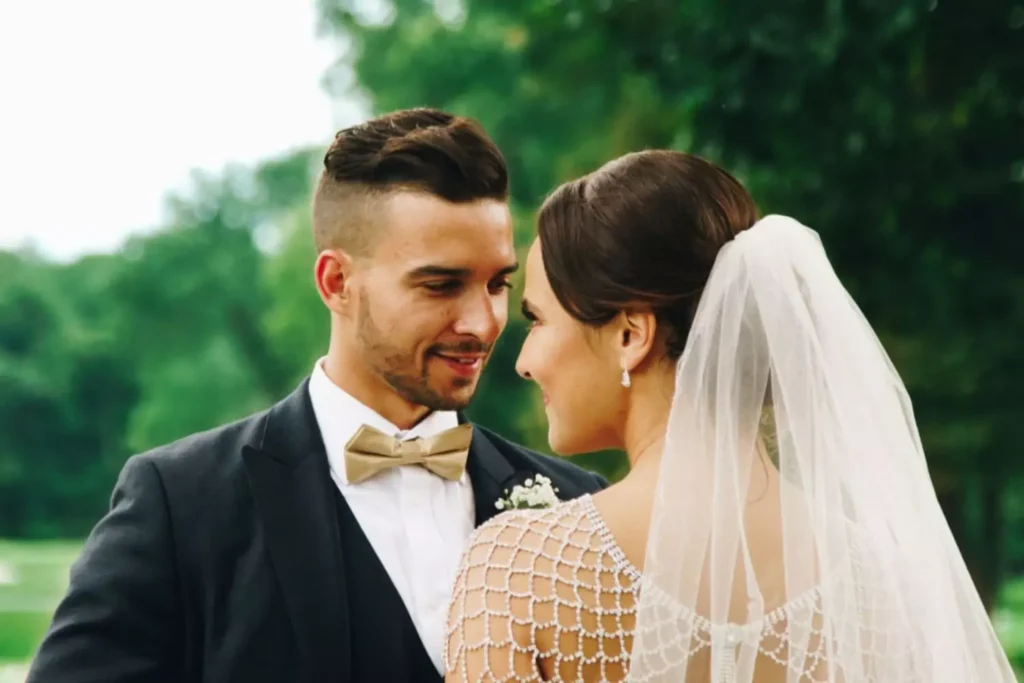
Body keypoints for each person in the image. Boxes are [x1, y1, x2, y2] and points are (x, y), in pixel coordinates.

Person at [26, 108, 606, 683]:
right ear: (337, 283)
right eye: (441, 285)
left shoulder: (581, 508)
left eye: (497, 284)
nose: (482, 323)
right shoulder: (179, 504)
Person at [444, 150, 1017, 682]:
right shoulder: (886, 587)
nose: (523, 362)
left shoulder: (516, 569)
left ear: (629, 334)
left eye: (538, 321)